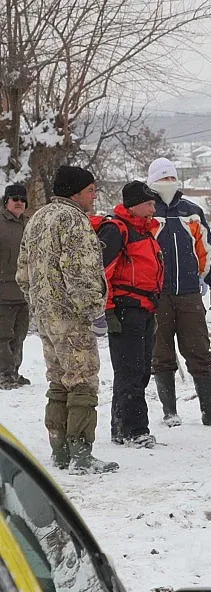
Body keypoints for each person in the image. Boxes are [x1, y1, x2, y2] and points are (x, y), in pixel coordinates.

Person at [16, 166, 118, 474]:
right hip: (72, 317)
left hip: (46, 316)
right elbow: (81, 272)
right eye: (90, 190)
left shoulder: (36, 219)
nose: (94, 195)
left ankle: (59, 451)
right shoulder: (74, 221)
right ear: (75, 192)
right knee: (83, 381)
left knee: (58, 381)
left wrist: (39, 302)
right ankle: (81, 454)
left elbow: (22, 271)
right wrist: (93, 310)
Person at [146, 157, 211, 428]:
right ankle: (170, 412)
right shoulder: (147, 212)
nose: (167, 183)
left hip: (189, 293)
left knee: (199, 351)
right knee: (161, 354)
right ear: (151, 181)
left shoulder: (191, 211)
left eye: (170, 178)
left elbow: (206, 248)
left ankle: (210, 412)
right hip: (156, 295)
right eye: (162, 178)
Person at [95, 182, 164, 448]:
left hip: (145, 308)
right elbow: (102, 274)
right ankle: (135, 429)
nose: (153, 208)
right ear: (134, 205)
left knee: (140, 371)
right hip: (126, 310)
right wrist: (108, 309)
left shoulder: (144, 231)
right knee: (130, 372)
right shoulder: (117, 231)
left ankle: (121, 426)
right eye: (148, 203)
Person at [0, 184, 30, 389]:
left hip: (24, 293)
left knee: (19, 335)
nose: (18, 201)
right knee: (3, 336)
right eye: (14, 198)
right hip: (2, 292)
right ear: (6, 201)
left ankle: (14, 371)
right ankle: (3, 374)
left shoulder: (29, 224)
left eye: (22, 198)